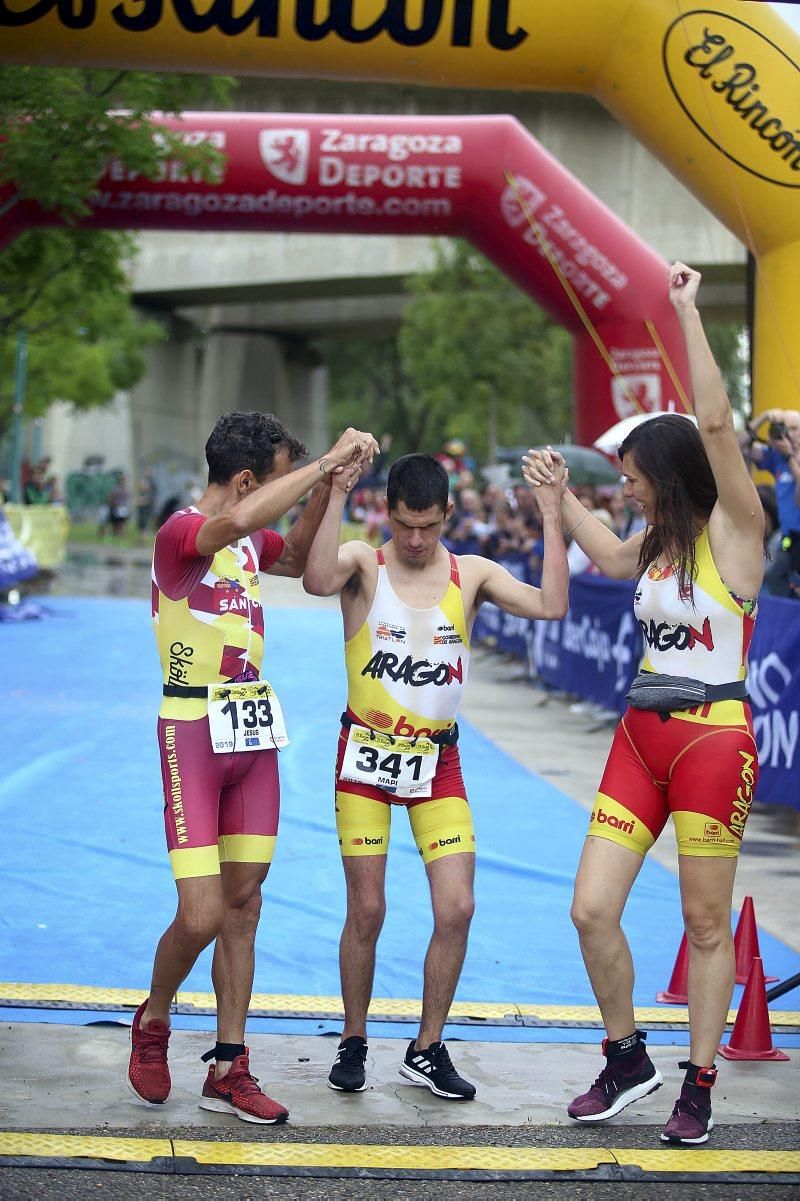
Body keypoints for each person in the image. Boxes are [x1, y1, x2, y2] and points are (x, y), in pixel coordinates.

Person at [523, 263, 764, 1145]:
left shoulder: (738, 531)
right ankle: (628, 1056)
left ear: (668, 472)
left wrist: (689, 311)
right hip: (640, 736)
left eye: (629, 476)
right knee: (591, 907)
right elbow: (611, 559)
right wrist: (560, 504)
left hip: (712, 741)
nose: (622, 486)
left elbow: (716, 423)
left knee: (706, 924)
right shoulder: (654, 543)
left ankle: (698, 1084)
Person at [127, 411, 378, 1125]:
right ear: (245, 482)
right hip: (192, 731)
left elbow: (296, 557)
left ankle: (229, 1063)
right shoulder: (182, 534)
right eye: (274, 482)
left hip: (252, 734)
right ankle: (155, 1015)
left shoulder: (249, 540)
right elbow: (237, 527)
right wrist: (322, 464)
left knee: (244, 905)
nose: (280, 493)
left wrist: (333, 486)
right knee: (202, 912)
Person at [303, 452, 569, 1101]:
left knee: (458, 906)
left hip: (437, 760)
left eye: (427, 525)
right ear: (384, 513)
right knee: (367, 908)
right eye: (403, 525)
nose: (415, 540)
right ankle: (354, 1036)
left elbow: (552, 604)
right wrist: (336, 489)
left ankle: (426, 1046)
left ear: (448, 514)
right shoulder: (366, 563)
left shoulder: (469, 573)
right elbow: (314, 579)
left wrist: (554, 511)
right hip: (366, 754)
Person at [739, 408, 800, 597]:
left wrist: (790, 456)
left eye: (794, 428)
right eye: (784, 428)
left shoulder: (787, 458)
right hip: (790, 538)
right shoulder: (778, 457)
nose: (789, 434)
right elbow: (739, 446)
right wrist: (764, 418)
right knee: (775, 580)